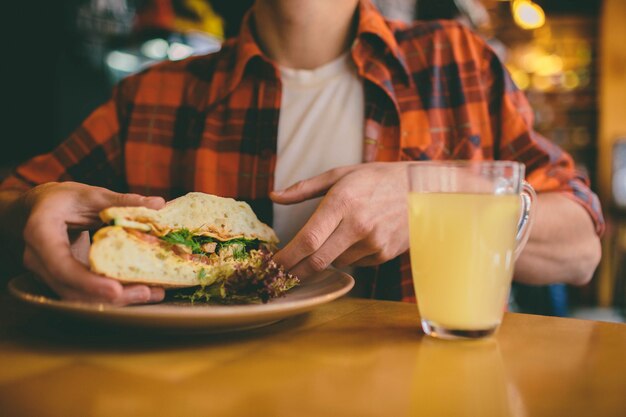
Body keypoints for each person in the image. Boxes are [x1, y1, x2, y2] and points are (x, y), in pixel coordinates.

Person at [0, 0, 603, 305]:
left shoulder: (457, 61)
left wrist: (434, 195)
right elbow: (18, 201)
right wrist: (31, 212)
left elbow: (581, 248)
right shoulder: (156, 95)